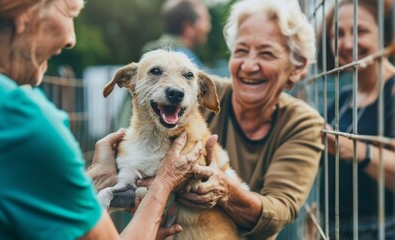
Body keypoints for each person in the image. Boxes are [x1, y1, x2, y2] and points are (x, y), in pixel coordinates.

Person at [0, 0, 208, 239]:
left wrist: (92, 177)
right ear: (25, 14)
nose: (72, 38)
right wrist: (165, 181)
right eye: (69, 13)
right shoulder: (19, 121)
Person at [91, 0, 325, 239]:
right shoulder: (192, 94)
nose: (249, 65)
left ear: (297, 67)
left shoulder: (303, 123)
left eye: (266, 53)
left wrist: (224, 188)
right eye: (241, 50)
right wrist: (104, 178)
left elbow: (280, 210)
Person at [320, 0, 395, 238]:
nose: (346, 43)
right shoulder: (343, 99)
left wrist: (351, 149)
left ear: (384, 36)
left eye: (360, 31)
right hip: (333, 228)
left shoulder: (392, 91)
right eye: (338, 34)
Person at [140, 0, 211, 69]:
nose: (209, 27)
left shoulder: (148, 55)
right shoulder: (186, 60)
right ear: (188, 27)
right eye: (206, 20)